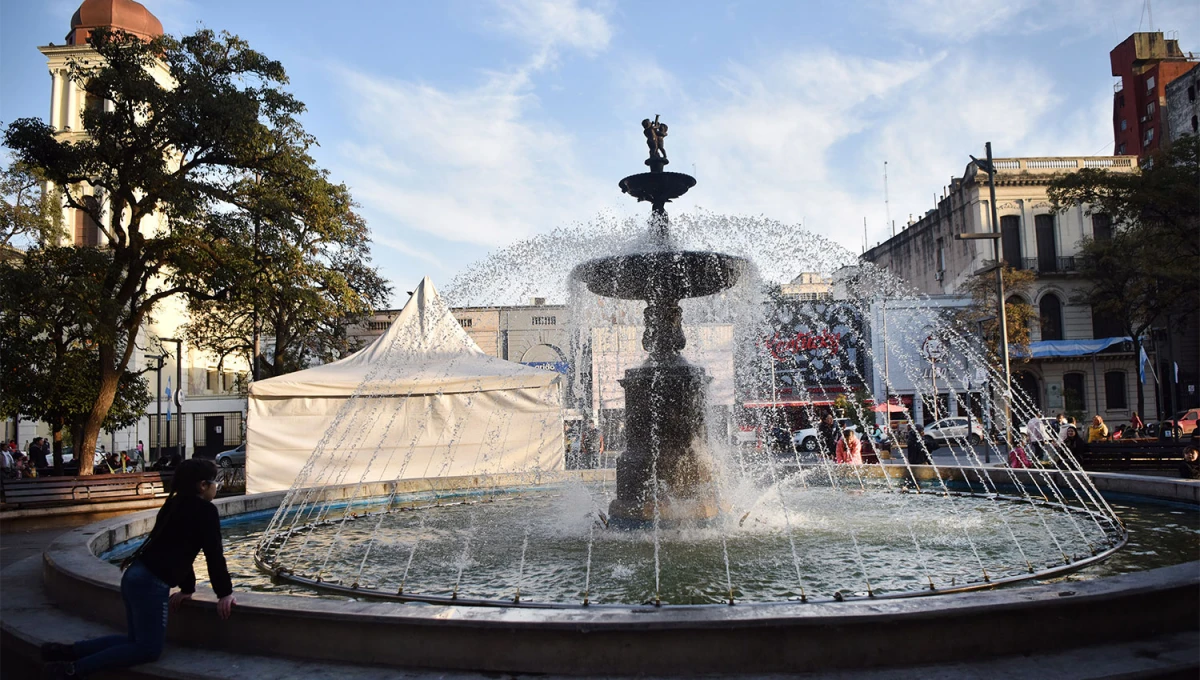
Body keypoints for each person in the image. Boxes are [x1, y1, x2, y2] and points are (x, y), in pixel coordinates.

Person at [42, 458, 236, 678]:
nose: (217, 486)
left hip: (135, 575)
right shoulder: (205, 510)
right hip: (150, 584)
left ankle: (66, 652)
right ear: (202, 485)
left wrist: (188, 589)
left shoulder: (174, 503)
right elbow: (213, 555)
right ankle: (71, 671)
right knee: (147, 649)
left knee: (134, 640)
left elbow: (179, 551)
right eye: (216, 481)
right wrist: (225, 593)